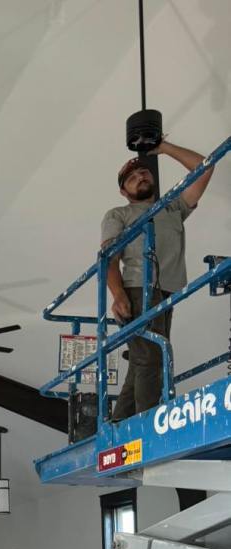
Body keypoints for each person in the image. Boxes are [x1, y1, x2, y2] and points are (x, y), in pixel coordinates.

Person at [101, 140, 214, 419]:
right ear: (123, 191)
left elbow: (205, 167)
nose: (140, 177)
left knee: (143, 361)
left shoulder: (172, 207)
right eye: (131, 178)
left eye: (144, 173)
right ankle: (148, 426)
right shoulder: (119, 214)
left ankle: (119, 425)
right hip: (138, 289)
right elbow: (108, 259)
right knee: (151, 358)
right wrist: (118, 294)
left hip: (167, 294)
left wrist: (163, 148)